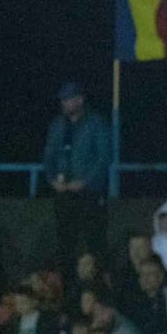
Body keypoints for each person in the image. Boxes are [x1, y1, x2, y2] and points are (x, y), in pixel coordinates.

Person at [42, 82, 111, 263]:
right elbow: (49, 155)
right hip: (64, 193)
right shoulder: (57, 125)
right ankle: (66, 285)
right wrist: (51, 179)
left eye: (69, 99)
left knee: (95, 242)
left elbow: (103, 157)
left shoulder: (96, 123)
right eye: (63, 100)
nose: (65, 103)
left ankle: (96, 286)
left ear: (80, 100)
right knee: (65, 243)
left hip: (90, 194)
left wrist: (85, 182)